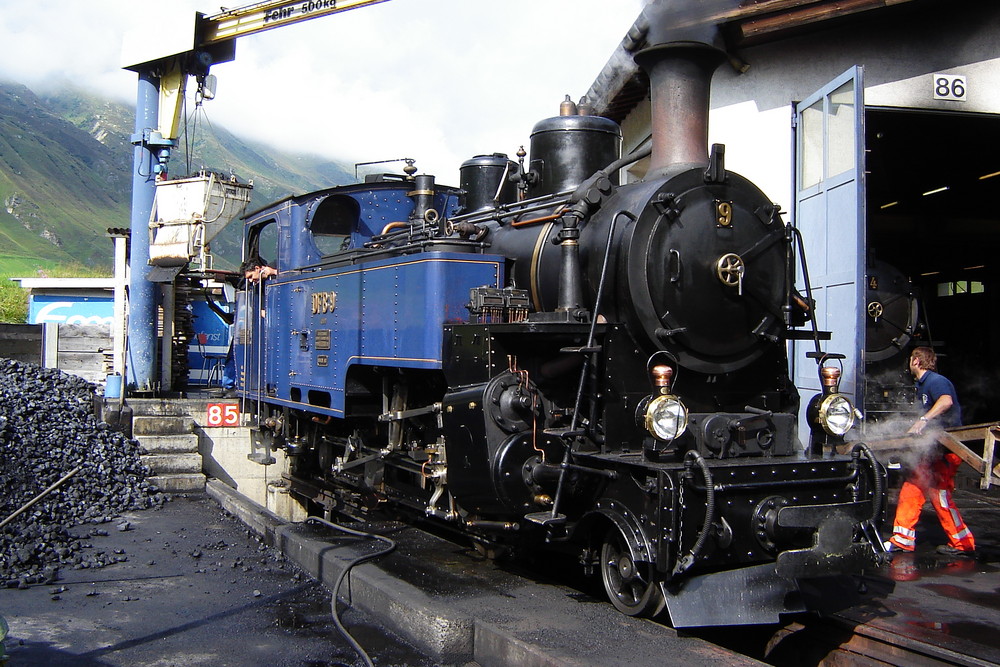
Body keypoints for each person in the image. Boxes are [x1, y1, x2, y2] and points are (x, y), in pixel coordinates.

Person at [884, 347, 975, 556]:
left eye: (910, 360)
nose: (909, 364)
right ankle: (903, 538)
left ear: (916, 361)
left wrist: (923, 421)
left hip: (945, 451)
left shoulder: (936, 381)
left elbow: (946, 401)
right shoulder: (922, 385)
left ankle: (963, 543)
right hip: (932, 451)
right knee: (912, 487)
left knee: (939, 495)